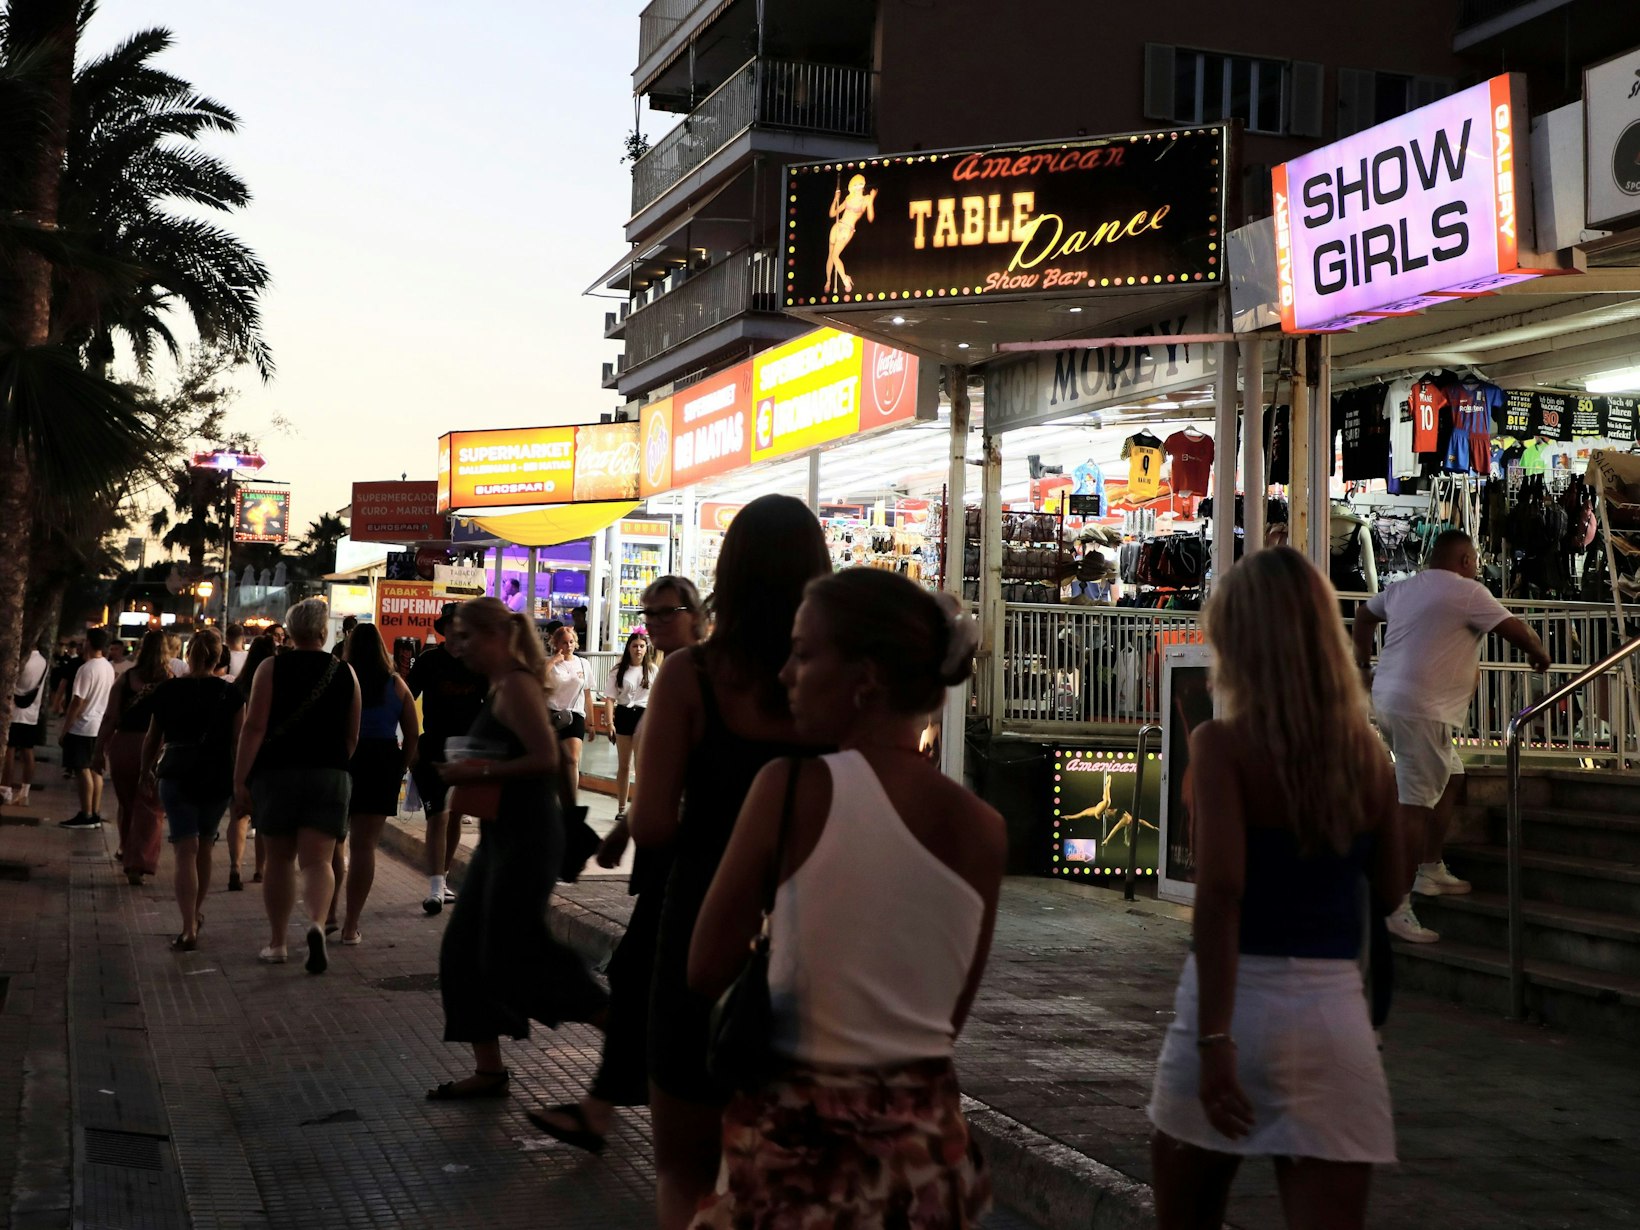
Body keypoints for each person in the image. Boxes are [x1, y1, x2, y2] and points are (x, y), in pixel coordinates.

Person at [688, 568, 999, 1227]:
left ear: (866, 677)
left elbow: (705, 966)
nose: (785, 675)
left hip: (801, 1154)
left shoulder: (790, 789)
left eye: (804, 654)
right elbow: (948, 1013)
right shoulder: (983, 828)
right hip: (926, 1157)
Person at [1148, 547, 1407, 1230]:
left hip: (1234, 1005)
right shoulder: (1369, 758)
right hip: (1333, 1018)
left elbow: (1222, 892)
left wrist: (1213, 1041)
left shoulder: (1221, 746)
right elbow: (1387, 891)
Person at [630, 494, 831, 1230]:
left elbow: (651, 823)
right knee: (792, 1169)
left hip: (700, 924)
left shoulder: (691, 676)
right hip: (815, 932)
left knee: (685, 1168)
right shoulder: (834, 686)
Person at [528, 576, 705, 1155]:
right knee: (642, 975)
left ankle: (626, 1106)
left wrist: (635, 826)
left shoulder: (695, 672)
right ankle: (617, 1101)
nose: (651, 624)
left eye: (665, 613)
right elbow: (665, 771)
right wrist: (626, 826)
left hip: (690, 853)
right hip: (672, 849)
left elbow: (686, 775)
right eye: (646, 614)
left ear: (696, 612)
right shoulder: (681, 673)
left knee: (639, 974)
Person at [427, 597, 608, 1101]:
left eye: (465, 636)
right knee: (463, 950)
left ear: (494, 637)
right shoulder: (501, 686)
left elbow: (546, 758)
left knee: (519, 949)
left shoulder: (518, 687)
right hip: (502, 837)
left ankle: (618, 1024)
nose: (457, 647)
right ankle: (489, 1072)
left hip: (527, 838)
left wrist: (475, 771)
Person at [1352, 529, 1550, 943]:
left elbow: (1364, 616)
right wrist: (1540, 654)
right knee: (1414, 807)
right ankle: (1396, 906)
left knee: (1453, 777)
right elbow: (1516, 631)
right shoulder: (1467, 591)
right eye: (1475, 559)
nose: (1477, 566)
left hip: (1392, 703)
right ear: (1464, 561)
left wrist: (1363, 665)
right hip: (1422, 713)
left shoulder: (1403, 589)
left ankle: (1431, 868)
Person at [233, 598, 361, 973]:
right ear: (324, 632)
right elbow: (352, 735)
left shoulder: (271, 668)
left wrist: (241, 778)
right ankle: (318, 925)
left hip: (278, 774)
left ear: (288, 632)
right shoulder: (345, 672)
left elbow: (254, 727)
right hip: (330, 773)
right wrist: (336, 765)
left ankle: (277, 943)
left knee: (279, 860)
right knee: (319, 861)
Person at [142, 628, 245, 951]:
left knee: (184, 849)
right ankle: (197, 913)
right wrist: (243, 782)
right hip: (217, 776)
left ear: (189, 655)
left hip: (176, 773)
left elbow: (153, 736)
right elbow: (238, 742)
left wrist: (146, 769)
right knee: (204, 847)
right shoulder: (231, 694)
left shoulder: (168, 690)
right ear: (219, 658)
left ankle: (188, 927)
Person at [333, 623, 420, 946]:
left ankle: (328, 911)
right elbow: (412, 733)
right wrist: (399, 766)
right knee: (364, 847)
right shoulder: (396, 684)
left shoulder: (340, 678)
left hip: (343, 759)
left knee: (333, 839)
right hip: (381, 761)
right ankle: (350, 925)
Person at [407, 603, 488, 915]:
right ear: (446, 628)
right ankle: (435, 887)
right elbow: (405, 697)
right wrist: (410, 744)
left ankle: (444, 880)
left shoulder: (477, 662)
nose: (459, 630)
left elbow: (493, 702)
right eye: (454, 624)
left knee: (455, 814)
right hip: (434, 748)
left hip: (468, 750)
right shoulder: (430, 661)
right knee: (438, 815)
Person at [91, 630, 170, 884]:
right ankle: (139, 861)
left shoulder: (126, 679)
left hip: (123, 746)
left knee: (127, 804)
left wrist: (98, 751)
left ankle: (127, 850)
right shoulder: (171, 682)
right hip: (156, 748)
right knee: (150, 807)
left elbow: (110, 718)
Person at [224, 634, 276, 890]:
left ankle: (235, 866)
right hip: (267, 755)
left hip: (240, 755)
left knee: (239, 814)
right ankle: (259, 870)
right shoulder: (275, 682)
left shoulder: (238, 685)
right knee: (263, 817)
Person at [58, 628, 116, 830]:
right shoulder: (107, 667)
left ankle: (86, 813)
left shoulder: (86, 669)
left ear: (89, 643)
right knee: (94, 770)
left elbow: (77, 701)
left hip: (83, 726)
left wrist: (65, 728)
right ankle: (95, 812)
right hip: (99, 725)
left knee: (81, 769)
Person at [604, 631, 653, 822]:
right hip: (624, 714)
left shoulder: (652, 669)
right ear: (628, 648)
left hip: (644, 714)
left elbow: (657, 697)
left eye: (641, 646)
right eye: (635, 646)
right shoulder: (618, 670)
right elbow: (609, 698)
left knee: (641, 765)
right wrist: (609, 723)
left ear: (646, 648)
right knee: (624, 764)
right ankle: (622, 807)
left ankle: (640, 807)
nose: (638, 649)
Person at [1, 640, 49, 807]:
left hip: (14, 712)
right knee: (28, 752)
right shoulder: (43, 661)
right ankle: (24, 792)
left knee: (9, 751)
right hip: (32, 713)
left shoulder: (21, 660)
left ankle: (5, 789)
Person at [545, 625, 590, 802]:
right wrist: (553, 661)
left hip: (575, 713)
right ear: (556, 644)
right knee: (555, 761)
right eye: (564, 642)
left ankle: (571, 800)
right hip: (553, 713)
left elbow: (587, 693)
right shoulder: (550, 663)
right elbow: (537, 679)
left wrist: (591, 722)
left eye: (571, 642)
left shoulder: (583, 664)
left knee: (572, 759)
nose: (568, 645)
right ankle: (554, 796)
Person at [825, 172, 877, 294]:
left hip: (847, 229)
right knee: (830, 255)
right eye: (856, 185)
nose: (858, 187)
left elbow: (870, 218)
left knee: (835, 256)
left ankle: (845, 279)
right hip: (838, 226)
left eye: (861, 184)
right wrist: (835, 199)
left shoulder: (867, 199)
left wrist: (871, 201)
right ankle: (828, 281)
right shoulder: (848, 198)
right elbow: (833, 214)